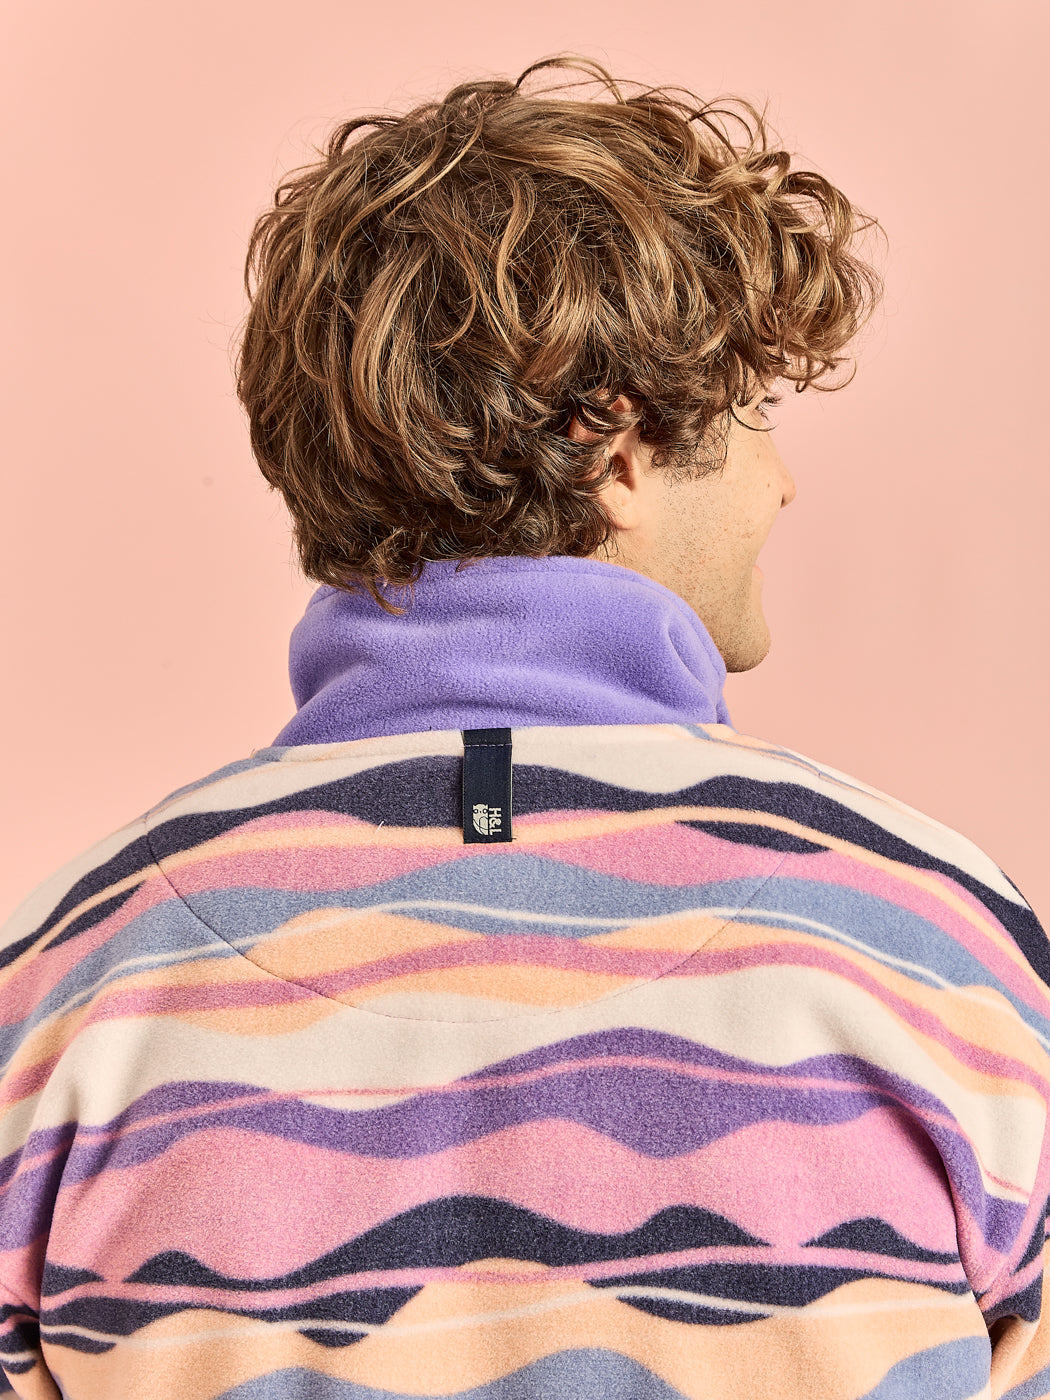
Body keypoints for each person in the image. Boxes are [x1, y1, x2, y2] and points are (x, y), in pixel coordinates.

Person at [2, 53, 1048, 1400]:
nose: (782, 483)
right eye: (753, 414)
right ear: (612, 444)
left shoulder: (66, 985)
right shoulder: (940, 949)